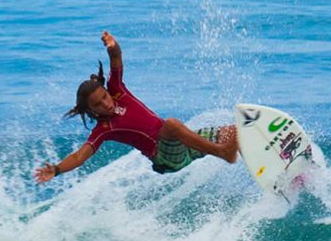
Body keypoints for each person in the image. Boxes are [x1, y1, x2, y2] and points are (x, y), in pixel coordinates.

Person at [34, 31, 238, 183]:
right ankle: (222, 152)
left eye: (104, 97)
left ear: (107, 91)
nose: (106, 103)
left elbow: (115, 59)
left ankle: (267, 169)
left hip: (181, 144)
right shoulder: (104, 130)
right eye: (98, 104)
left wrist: (112, 45)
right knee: (172, 124)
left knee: (236, 133)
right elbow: (80, 155)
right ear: (92, 111)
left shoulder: (118, 90)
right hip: (165, 156)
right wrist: (57, 169)